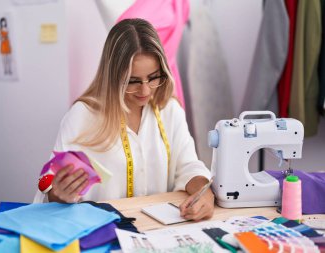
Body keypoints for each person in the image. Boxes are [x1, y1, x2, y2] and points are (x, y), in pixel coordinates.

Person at [35, 18, 214, 221]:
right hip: (102, 230)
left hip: (157, 230)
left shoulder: (169, 109)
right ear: (112, 76)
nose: (145, 90)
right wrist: (58, 194)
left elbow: (189, 165)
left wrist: (205, 193)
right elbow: (49, 182)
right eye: (133, 81)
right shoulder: (83, 116)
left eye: (154, 77)